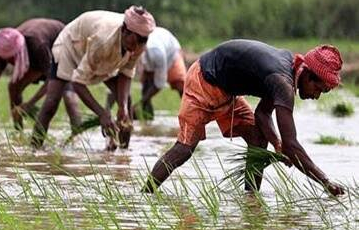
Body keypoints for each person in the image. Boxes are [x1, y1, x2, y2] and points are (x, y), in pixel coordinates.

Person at [143, 40, 345, 195]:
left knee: (258, 137)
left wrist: (276, 143)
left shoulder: (288, 70)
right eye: (318, 88)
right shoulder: (283, 82)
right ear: (308, 75)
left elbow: (262, 114)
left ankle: (250, 199)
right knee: (184, 149)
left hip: (226, 92)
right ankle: (146, 194)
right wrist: (326, 182)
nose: (316, 96)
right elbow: (292, 145)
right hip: (203, 81)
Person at [31, 6, 156, 150]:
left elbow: (126, 73)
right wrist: (102, 114)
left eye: (142, 41)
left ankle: (123, 154)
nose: (137, 47)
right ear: (125, 31)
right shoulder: (103, 40)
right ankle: (34, 149)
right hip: (71, 47)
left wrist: (123, 108)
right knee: (51, 102)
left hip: (101, 58)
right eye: (135, 41)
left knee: (126, 102)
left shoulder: (139, 44)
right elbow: (77, 82)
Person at [0, 18, 81, 130]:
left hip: (62, 46)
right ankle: (18, 130)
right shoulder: (6, 46)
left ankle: (77, 134)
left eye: (12, 59)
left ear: (19, 52)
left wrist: (30, 104)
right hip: (36, 58)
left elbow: (51, 81)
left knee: (67, 95)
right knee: (13, 87)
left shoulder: (38, 46)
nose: (10, 62)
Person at [136, 26, 186, 119]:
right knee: (146, 87)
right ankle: (148, 118)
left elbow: (159, 84)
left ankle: (189, 115)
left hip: (172, 54)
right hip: (153, 56)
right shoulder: (136, 48)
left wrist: (139, 103)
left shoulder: (156, 52)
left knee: (181, 86)